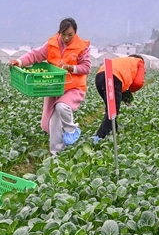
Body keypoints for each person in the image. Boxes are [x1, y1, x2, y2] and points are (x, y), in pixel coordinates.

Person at [9, 18, 91, 154]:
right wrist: (19, 61)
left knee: (62, 106)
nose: (66, 38)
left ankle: (72, 129)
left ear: (75, 33)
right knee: (53, 123)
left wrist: (71, 68)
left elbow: (86, 67)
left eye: (70, 35)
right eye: (63, 34)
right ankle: (56, 153)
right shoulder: (52, 44)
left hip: (74, 87)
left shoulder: (82, 47)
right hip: (55, 87)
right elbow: (36, 55)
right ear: (59, 32)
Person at [92, 55, 145, 143]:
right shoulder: (139, 62)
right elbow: (139, 82)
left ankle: (114, 132)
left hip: (99, 76)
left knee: (110, 109)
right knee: (112, 110)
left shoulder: (124, 61)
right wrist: (130, 92)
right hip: (114, 78)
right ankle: (99, 137)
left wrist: (123, 95)